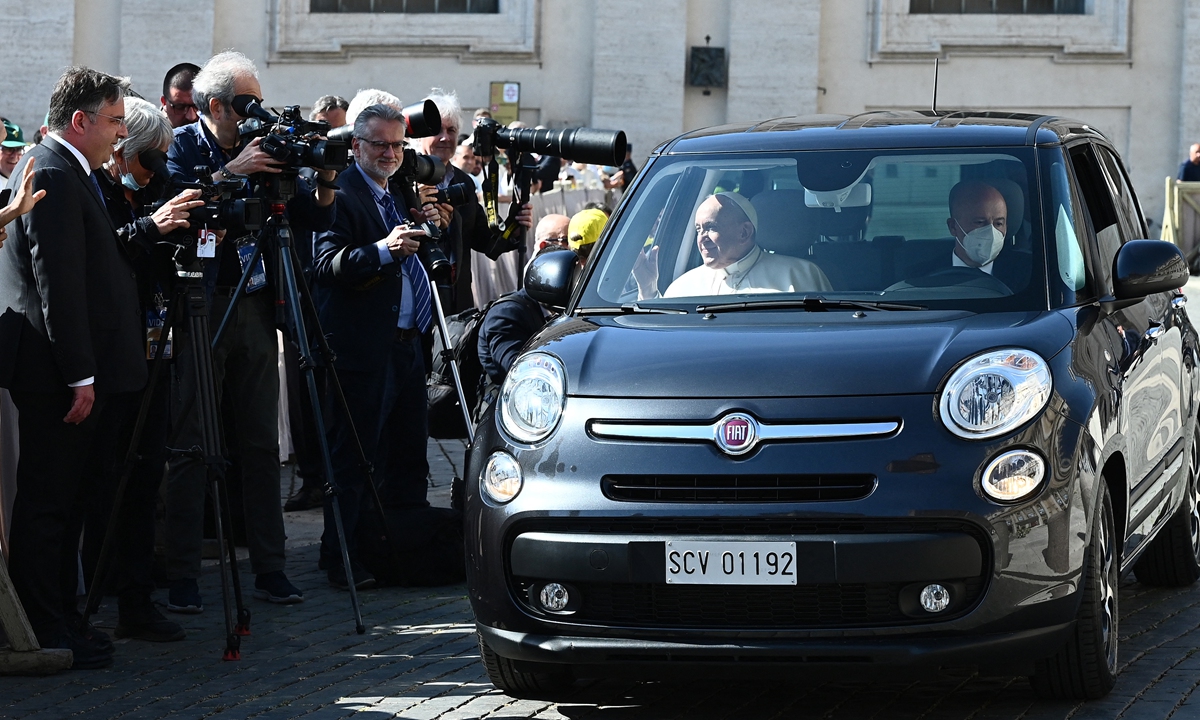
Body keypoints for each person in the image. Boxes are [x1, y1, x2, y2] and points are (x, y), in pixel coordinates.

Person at [163, 50, 337, 613]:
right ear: (215, 106)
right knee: (193, 440)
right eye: (246, 103)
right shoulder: (185, 145)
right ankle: (183, 571)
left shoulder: (266, 145)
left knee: (261, 441)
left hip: (258, 306)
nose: (255, 113)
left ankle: (271, 566)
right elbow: (177, 206)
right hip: (201, 302)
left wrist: (325, 178)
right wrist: (231, 174)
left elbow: (315, 219)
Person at [0, 66, 145, 669]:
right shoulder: (53, 170)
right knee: (49, 505)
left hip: (73, 372)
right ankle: (45, 628)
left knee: (72, 502)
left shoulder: (70, 167)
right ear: (81, 121)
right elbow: (56, 282)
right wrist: (80, 376)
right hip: (57, 376)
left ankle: (62, 616)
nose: (121, 134)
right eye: (114, 122)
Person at [88, 97, 204, 643]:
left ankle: (136, 596)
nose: (159, 167)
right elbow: (103, 262)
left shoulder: (153, 193)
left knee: (145, 474)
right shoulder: (98, 193)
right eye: (150, 157)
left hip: (157, 353)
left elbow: (165, 264)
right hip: (110, 358)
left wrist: (196, 239)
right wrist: (151, 229)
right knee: (106, 478)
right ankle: (96, 593)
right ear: (123, 152)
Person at [313, 103, 437, 590]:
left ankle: (404, 548)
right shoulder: (339, 193)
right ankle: (341, 555)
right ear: (355, 145)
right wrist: (385, 249)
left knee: (409, 453)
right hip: (363, 349)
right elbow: (325, 266)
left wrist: (434, 225)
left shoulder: (397, 192)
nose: (390, 153)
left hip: (408, 344)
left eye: (397, 145)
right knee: (354, 457)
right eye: (379, 144)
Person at [634, 192, 831, 299]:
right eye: (698, 229)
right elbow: (664, 341)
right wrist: (648, 289)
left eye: (710, 227)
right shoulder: (683, 287)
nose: (701, 238)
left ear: (744, 232)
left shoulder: (799, 276)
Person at [160, 62, 200, 129]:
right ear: (164, 103)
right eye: (180, 107)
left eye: (198, 105)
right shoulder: (150, 136)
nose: (191, 117)